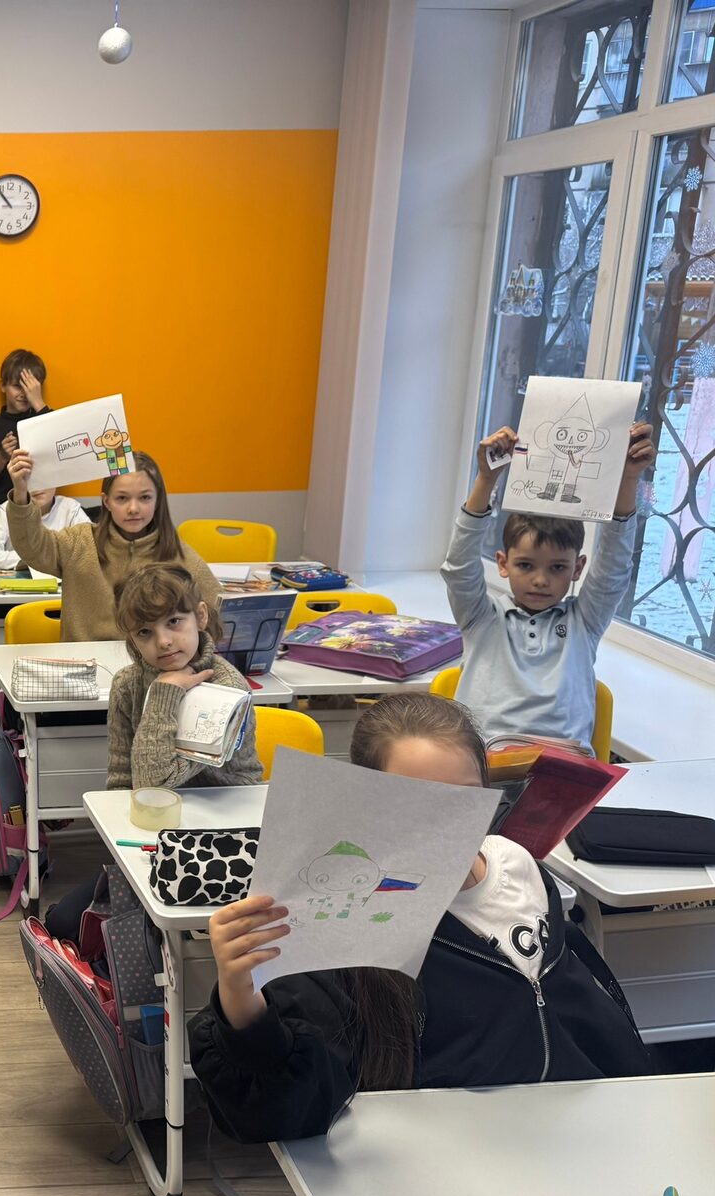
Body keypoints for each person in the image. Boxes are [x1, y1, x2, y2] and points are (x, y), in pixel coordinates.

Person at [188, 692, 652, 1144]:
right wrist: (240, 999)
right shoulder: (340, 917)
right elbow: (284, 1109)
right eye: (414, 804)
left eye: (464, 800)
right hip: (443, 1152)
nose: (444, 825)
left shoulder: (516, 867)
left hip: (575, 1130)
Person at [441, 421, 655, 754]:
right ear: (503, 563)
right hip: (483, 762)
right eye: (526, 565)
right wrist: (486, 478)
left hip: (565, 767)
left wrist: (628, 479)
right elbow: (459, 567)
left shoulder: (584, 622)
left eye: (557, 568)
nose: (540, 580)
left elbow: (614, 567)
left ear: (577, 569)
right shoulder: (482, 617)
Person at [5, 446, 222, 641]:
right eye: (122, 498)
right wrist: (21, 493)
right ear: (106, 501)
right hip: (86, 666)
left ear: (158, 501)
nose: (133, 509)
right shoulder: (79, 542)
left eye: (145, 498)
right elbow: (31, 546)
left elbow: (218, 614)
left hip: (154, 666)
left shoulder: (180, 556)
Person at [106, 563, 261, 789]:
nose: (163, 641)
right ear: (132, 639)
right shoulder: (127, 684)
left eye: (173, 622)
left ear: (200, 616)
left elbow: (153, 785)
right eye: (144, 632)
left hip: (229, 799)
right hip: (162, 805)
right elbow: (120, 778)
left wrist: (163, 695)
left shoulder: (227, 687)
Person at [0, 349, 51, 541]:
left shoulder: (47, 420)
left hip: (42, 517)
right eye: (17, 386)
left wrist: (38, 402)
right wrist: (1, 458)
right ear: (3, 386)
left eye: (29, 387)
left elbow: (64, 452)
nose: (23, 394)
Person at [0, 483, 88, 573]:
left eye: (44, 478)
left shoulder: (70, 508)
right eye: (30, 479)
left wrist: (37, 558)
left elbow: (90, 551)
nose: (37, 487)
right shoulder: (8, 509)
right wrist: (38, 558)